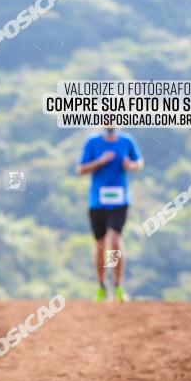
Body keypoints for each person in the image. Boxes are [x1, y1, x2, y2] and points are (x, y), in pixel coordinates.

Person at [76, 127, 143, 302]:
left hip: (120, 200)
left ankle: (118, 284)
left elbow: (139, 162)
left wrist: (131, 165)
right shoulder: (92, 142)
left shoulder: (126, 141)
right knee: (100, 243)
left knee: (114, 239)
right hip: (97, 201)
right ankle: (101, 286)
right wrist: (100, 161)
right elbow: (81, 169)